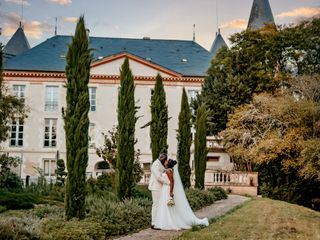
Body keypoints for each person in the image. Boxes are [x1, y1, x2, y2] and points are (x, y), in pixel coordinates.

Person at [154, 159, 209, 230]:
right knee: (165, 206)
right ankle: (166, 221)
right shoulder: (169, 170)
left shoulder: (168, 171)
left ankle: (169, 222)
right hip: (165, 188)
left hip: (167, 189)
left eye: (166, 161)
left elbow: (172, 181)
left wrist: (170, 192)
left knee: (168, 206)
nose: (165, 162)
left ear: (168, 164)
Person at [148, 152, 170, 229]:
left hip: (159, 187)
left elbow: (163, 170)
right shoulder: (156, 164)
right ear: (162, 158)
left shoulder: (159, 163)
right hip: (155, 187)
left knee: (159, 204)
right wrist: (168, 182)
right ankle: (154, 223)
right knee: (156, 204)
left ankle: (159, 221)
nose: (165, 162)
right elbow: (158, 177)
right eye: (165, 160)